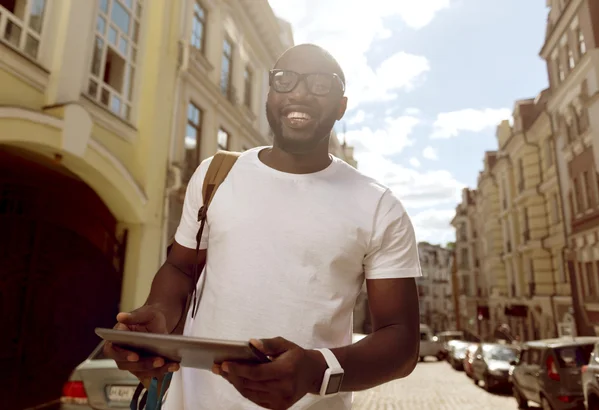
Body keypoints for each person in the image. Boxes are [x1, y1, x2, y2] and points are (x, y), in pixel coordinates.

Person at [104, 43, 421, 410]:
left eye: (320, 84)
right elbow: (179, 266)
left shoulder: (379, 206)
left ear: (341, 106)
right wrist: (158, 313)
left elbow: (401, 342)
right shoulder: (215, 175)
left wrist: (317, 371)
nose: (299, 92)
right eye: (285, 80)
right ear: (269, 95)